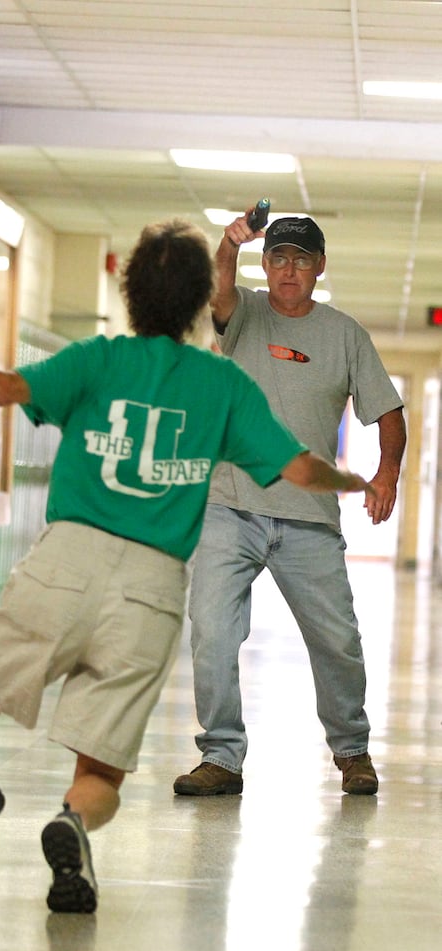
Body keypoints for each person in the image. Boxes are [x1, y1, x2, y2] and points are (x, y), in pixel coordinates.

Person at [0, 219, 372, 914]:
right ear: (198, 301)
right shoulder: (222, 383)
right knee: (100, 770)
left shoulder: (95, 360)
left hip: (66, 562)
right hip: (148, 590)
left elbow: (1, 387)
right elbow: (297, 467)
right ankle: (71, 823)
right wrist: (359, 484)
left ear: (129, 292)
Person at [173, 210, 406, 801]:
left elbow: (389, 413)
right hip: (229, 506)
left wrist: (387, 473)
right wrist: (229, 242)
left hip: (308, 517)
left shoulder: (345, 334)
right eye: (278, 257)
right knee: (213, 630)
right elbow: (219, 286)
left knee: (337, 640)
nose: (288, 270)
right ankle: (221, 757)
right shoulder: (243, 313)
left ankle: (352, 750)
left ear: (319, 267)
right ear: (265, 264)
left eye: (302, 259)